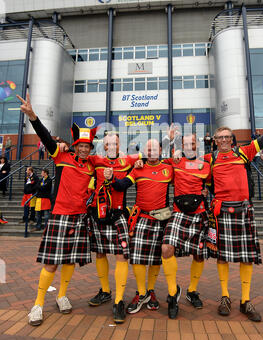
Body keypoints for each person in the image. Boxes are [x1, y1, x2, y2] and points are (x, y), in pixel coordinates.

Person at [205, 98, 263, 322]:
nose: (224, 140)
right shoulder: (210, 159)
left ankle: (245, 300)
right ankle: (225, 296)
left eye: (227, 137)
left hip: (244, 211)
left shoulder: (244, 153)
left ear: (232, 140)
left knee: (246, 257)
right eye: (220, 137)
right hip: (221, 213)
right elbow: (187, 166)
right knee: (222, 257)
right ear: (215, 141)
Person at [17, 93, 96, 327]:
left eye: (87, 146)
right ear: (75, 145)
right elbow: (45, 137)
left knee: (70, 261)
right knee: (52, 262)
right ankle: (38, 304)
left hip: (79, 218)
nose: (84, 149)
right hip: (60, 215)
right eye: (81, 146)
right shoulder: (61, 155)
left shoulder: (92, 165)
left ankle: (62, 295)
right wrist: (33, 116)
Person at [105, 139, 173, 316]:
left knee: (156, 259)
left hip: (161, 218)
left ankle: (150, 291)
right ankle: (141, 293)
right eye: (148, 149)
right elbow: (122, 185)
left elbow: (185, 181)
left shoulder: (169, 168)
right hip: (141, 218)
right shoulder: (138, 168)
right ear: (144, 152)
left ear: (160, 150)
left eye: (154, 148)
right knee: (137, 258)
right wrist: (111, 177)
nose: (151, 152)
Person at [86, 132, 142, 324]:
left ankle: (118, 300)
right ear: (104, 144)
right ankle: (105, 292)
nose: (111, 146)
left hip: (118, 215)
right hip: (98, 214)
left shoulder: (127, 161)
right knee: (100, 254)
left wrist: (140, 162)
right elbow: (79, 152)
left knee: (121, 256)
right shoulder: (96, 160)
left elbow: (144, 156)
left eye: (115, 143)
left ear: (120, 145)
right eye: (108, 143)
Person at [160, 133, 211, 319]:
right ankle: (173, 293)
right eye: (185, 144)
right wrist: (168, 139)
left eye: (192, 143)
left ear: (197, 145)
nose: (189, 146)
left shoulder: (205, 165)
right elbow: (156, 155)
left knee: (198, 255)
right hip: (179, 213)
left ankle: (192, 291)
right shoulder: (175, 160)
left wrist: (207, 191)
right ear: (181, 145)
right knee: (166, 248)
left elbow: (214, 184)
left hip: (199, 213)